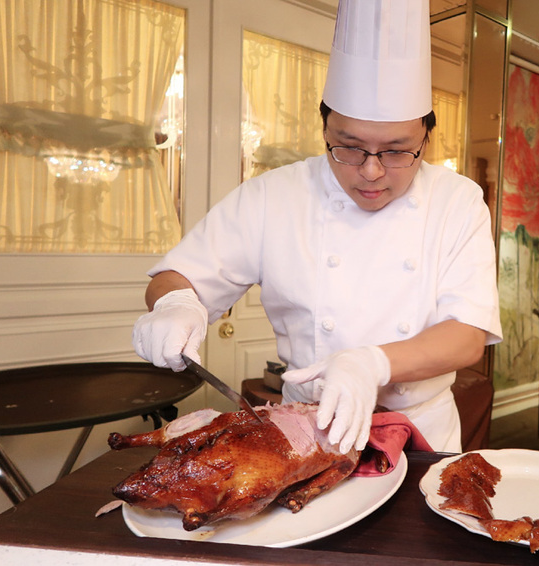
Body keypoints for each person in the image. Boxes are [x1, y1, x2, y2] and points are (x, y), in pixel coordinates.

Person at [131, 0, 502, 454]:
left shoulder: (457, 200)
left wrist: (372, 363)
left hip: (421, 435)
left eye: (396, 151)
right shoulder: (273, 195)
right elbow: (179, 275)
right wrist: (175, 304)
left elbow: (467, 337)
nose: (370, 171)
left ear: (426, 137)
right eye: (348, 147)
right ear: (324, 128)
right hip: (306, 431)